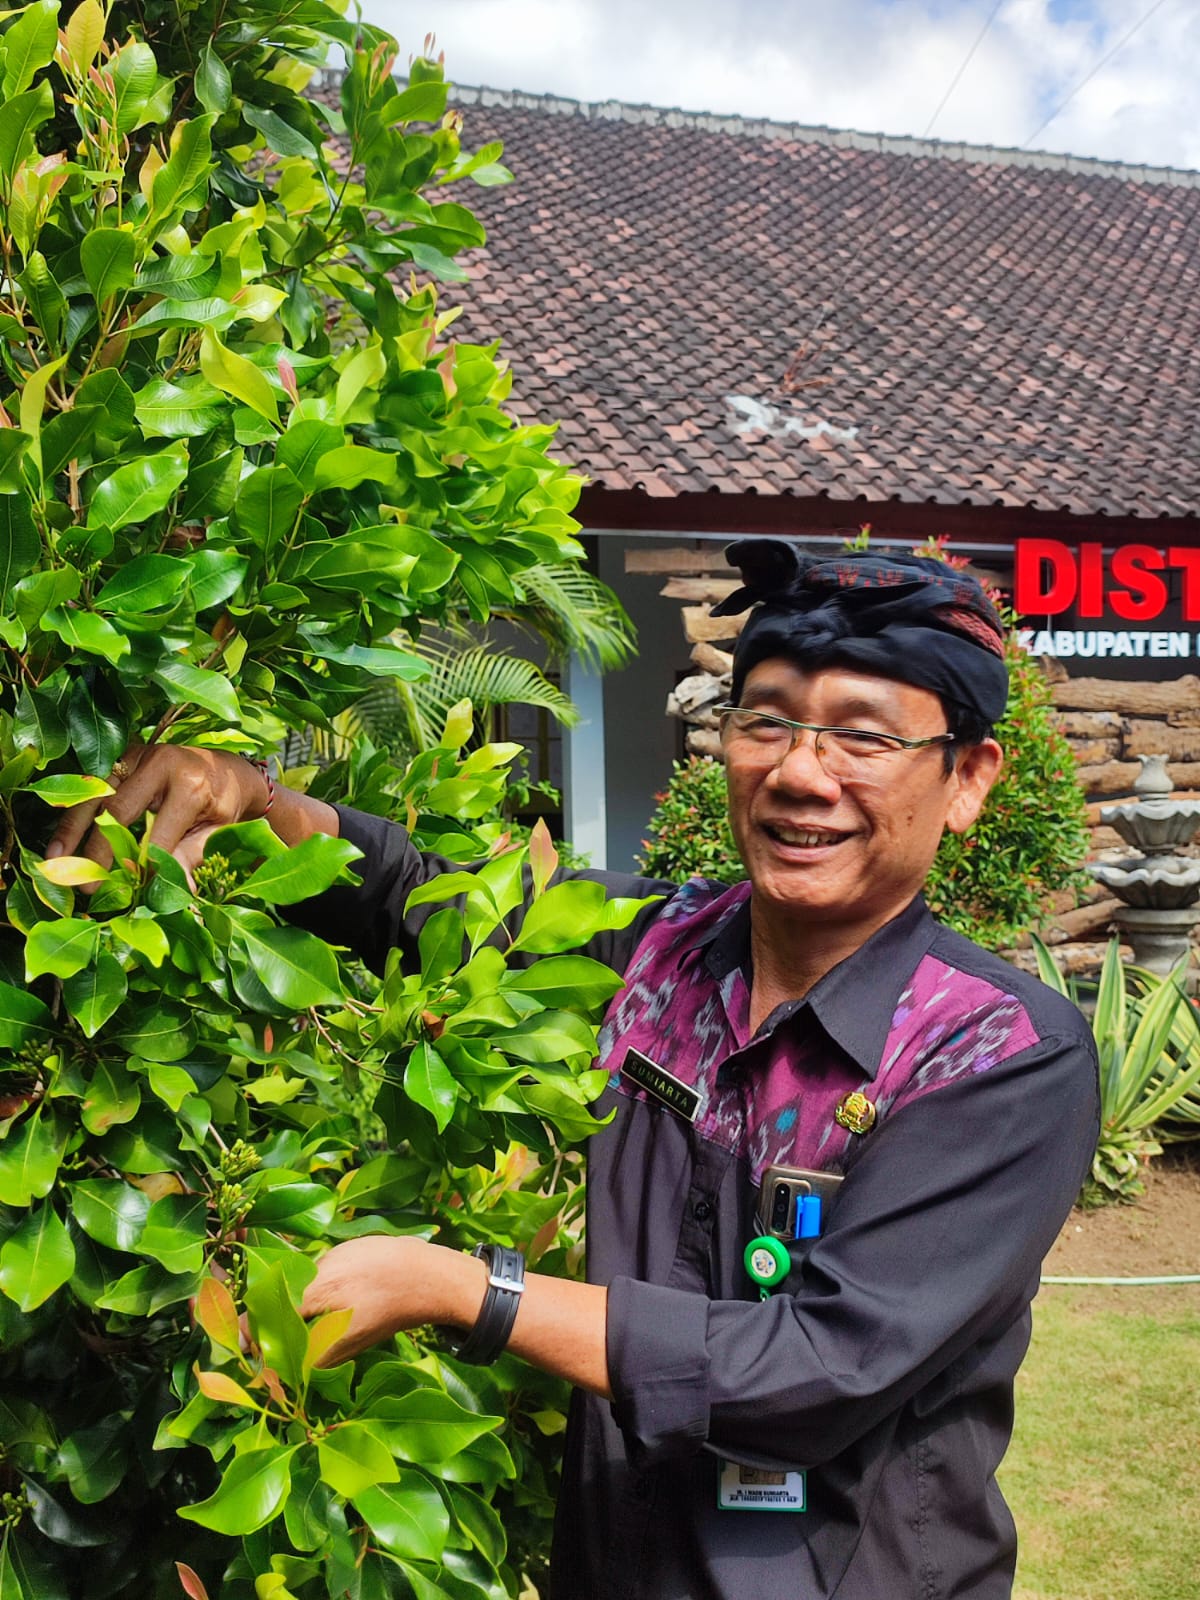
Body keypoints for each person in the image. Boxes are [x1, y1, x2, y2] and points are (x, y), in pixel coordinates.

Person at [49, 541, 1099, 1600]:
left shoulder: (996, 1054)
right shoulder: (656, 948)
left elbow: (820, 1367)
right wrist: (252, 794)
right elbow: (431, 901)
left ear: (966, 779)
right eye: (767, 719)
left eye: (863, 736)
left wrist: (462, 1289)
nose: (799, 771)